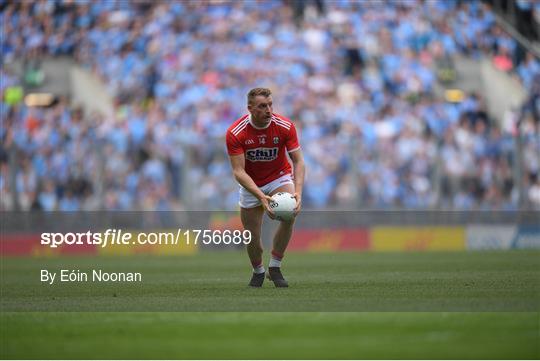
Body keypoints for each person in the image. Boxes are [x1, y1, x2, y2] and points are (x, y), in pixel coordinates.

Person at [226, 88, 305, 287]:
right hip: (251, 183)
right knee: (252, 236)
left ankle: (275, 267)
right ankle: (258, 270)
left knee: (290, 212)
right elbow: (238, 172)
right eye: (262, 106)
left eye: (270, 104)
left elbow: (299, 161)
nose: (269, 110)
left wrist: (298, 192)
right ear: (250, 108)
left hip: (279, 177)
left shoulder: (285, 126)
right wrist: (261, 196)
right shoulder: (236, 133)